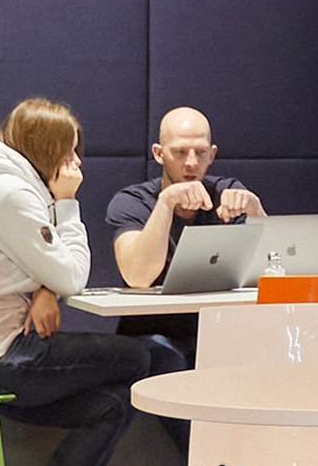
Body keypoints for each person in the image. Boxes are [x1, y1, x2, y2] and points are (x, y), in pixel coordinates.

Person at [0, 98, 177, 466]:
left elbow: (43, 265)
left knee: (112, 406)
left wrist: (44, 290)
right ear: (46, 150)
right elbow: (72, 276)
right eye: (69, 151)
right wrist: (68, 203)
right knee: (145, 356)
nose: (76, 162)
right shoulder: (12, 194)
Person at [99, 104, 264, 317]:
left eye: (201, 152)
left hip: (219, 322)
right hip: (151, 325)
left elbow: (274, 270)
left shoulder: (228, 193)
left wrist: (255, 209)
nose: (191, 163)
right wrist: (165, 204)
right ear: (159, 154)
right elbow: (138, 277)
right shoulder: (133, 201)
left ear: (212, 154)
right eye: (180, 152)